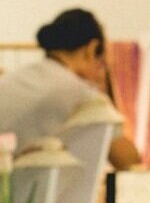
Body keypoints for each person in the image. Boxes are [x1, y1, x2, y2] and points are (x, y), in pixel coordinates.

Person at [0, 9, 140, 169]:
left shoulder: (16, 78)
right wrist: (105, 93)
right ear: (91, 49)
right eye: (101, 62)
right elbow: (129, 160)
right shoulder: (81, 94)